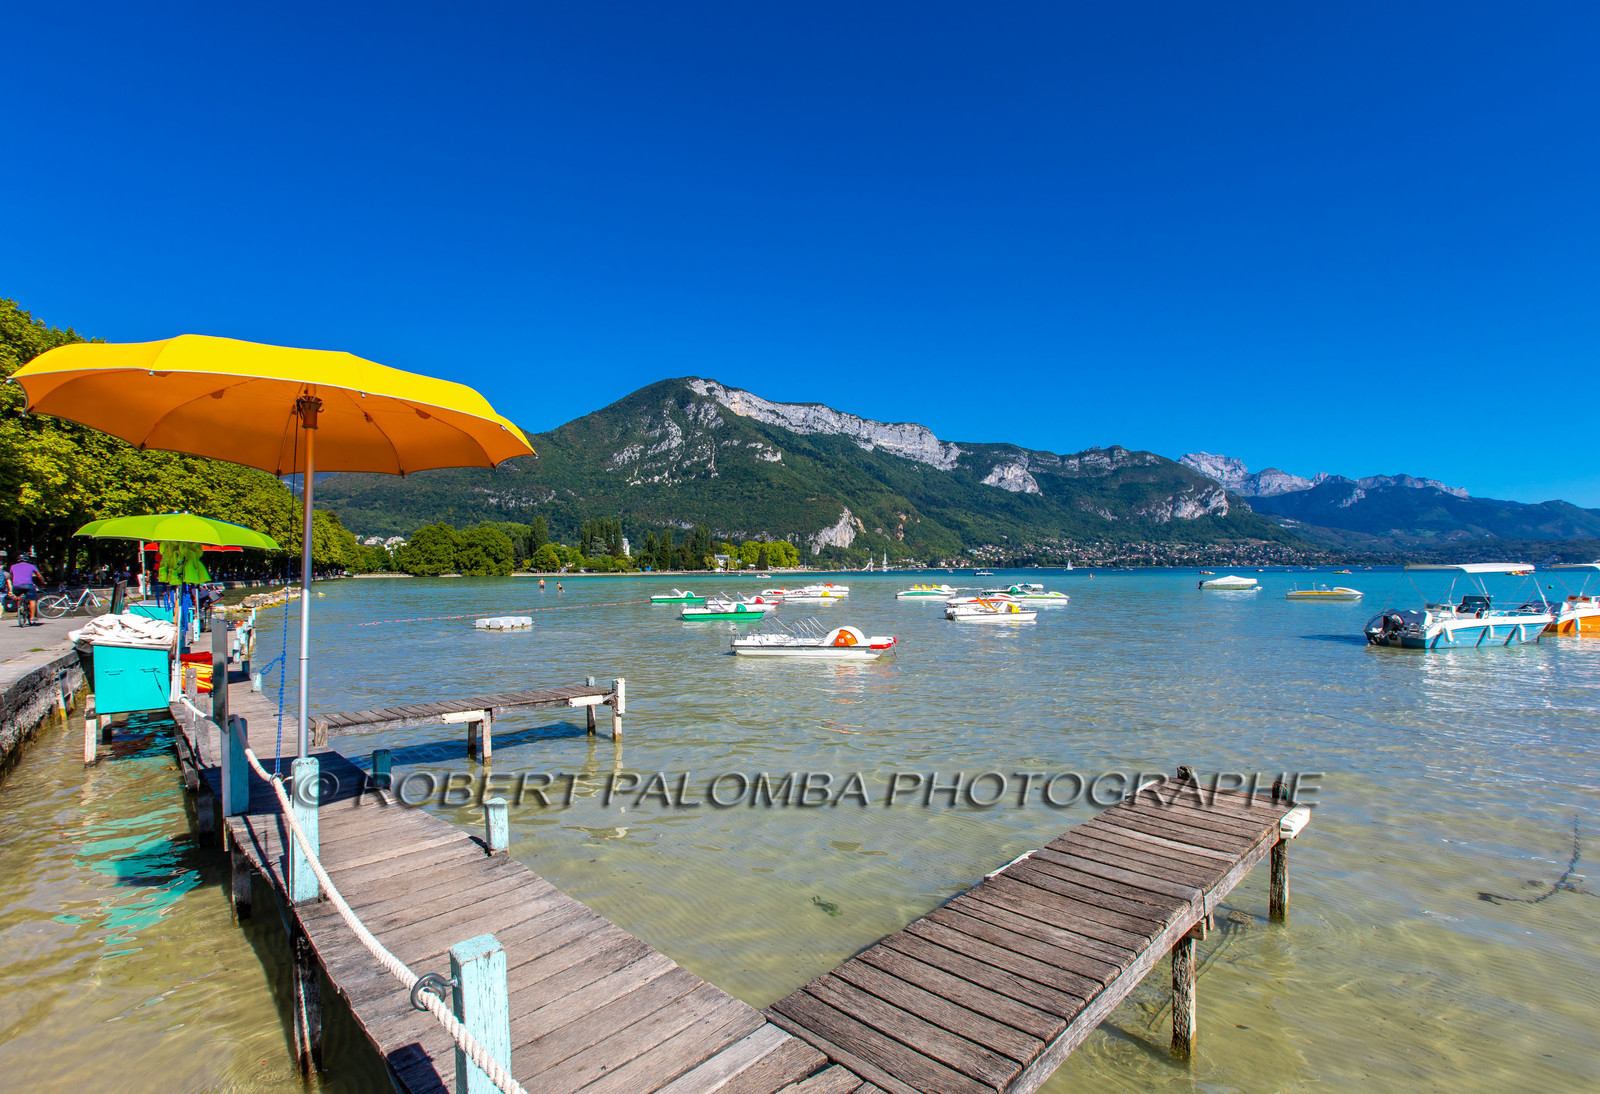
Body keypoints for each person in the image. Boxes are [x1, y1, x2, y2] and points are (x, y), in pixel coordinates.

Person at [8, 554, 44, 626]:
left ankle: (19, 606)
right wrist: (43, 582)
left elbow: (11, 576)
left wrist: (13, 582)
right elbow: (39, 575)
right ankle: (32, 617)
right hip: (28, 586)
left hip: (17, 586)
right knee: (32, 600)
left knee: (16, 596)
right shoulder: (31, 566)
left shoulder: (13, 566)